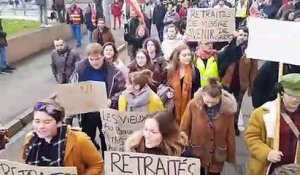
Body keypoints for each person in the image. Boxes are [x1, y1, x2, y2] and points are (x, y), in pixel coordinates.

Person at [21, 100, 103, 175]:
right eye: (37, 121)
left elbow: (97, 165)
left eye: (47, 122)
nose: (41, 126)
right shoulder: (30, 139)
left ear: (59, 123)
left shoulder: (79, 140)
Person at [70, 43, 126, 152]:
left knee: (106, 138)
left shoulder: (114, 71)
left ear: (103, 56)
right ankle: (90, 159)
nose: (95, 62)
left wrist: (112, 100)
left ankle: (106, 161)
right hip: (87, 111)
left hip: (105, 111)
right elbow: (72, 85)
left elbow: (122, 91)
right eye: (91, 59)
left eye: (97, 59)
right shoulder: (80, 69)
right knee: (86, 138)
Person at [245, 73, 300, 175]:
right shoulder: (262, 113)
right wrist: (267, 153)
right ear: (281, 93)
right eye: (291, 95)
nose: (295, 99)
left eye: (298, 96)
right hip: (269, 168)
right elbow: (251, 138)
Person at [180, 78, 237, 175]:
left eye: (213, 102)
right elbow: (184, 128)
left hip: (217, 154)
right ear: (202, 95)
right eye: (207, 101)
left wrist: (231, 155)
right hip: (197, 152)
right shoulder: (193, 105)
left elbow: (230, 135)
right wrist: (181, 147)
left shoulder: (228, 111)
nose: (210, 105)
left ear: (220, 98)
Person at [167, 44, 200, 124]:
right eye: (184, 55)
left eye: (189, 55)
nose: (188, 57)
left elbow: (198, 89)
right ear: (178, 57)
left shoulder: (194, 71)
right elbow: (163, 86)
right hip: (172, 108)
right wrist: (167, 93)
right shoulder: (169, 71)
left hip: (189, 106)